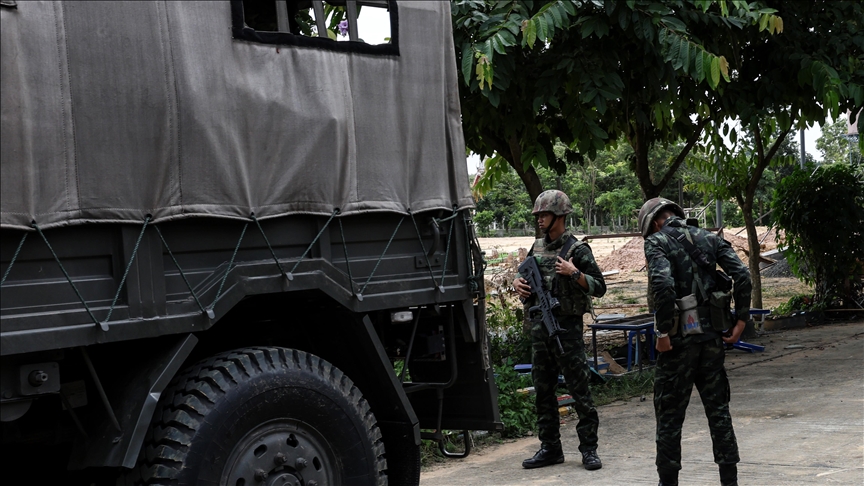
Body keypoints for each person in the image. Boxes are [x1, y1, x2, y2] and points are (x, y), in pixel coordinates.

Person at [638, 198, 751, 486]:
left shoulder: (657, 242)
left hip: (677, 344)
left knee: (669, 416)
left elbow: (662, 285)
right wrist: (740, 321)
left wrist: (662, 333)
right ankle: (730, 481)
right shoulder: (710, 238)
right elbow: (742, 275)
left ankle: (668, 482)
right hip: (713, 339)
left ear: (653, 223)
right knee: (719, 412)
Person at [513, 190, 607, 471]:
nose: (539, 219)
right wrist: (517, 284)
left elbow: (599, 287)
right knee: (543, 392)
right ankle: (550, 448)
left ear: (559, 216)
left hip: (566, 331)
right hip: (540, 331)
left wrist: (574, 273)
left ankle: (589, 450)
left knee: (581, 393)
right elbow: (523, 274)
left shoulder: (577, 251)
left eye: (544, 214)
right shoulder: (537, 247)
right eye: (538, 215)